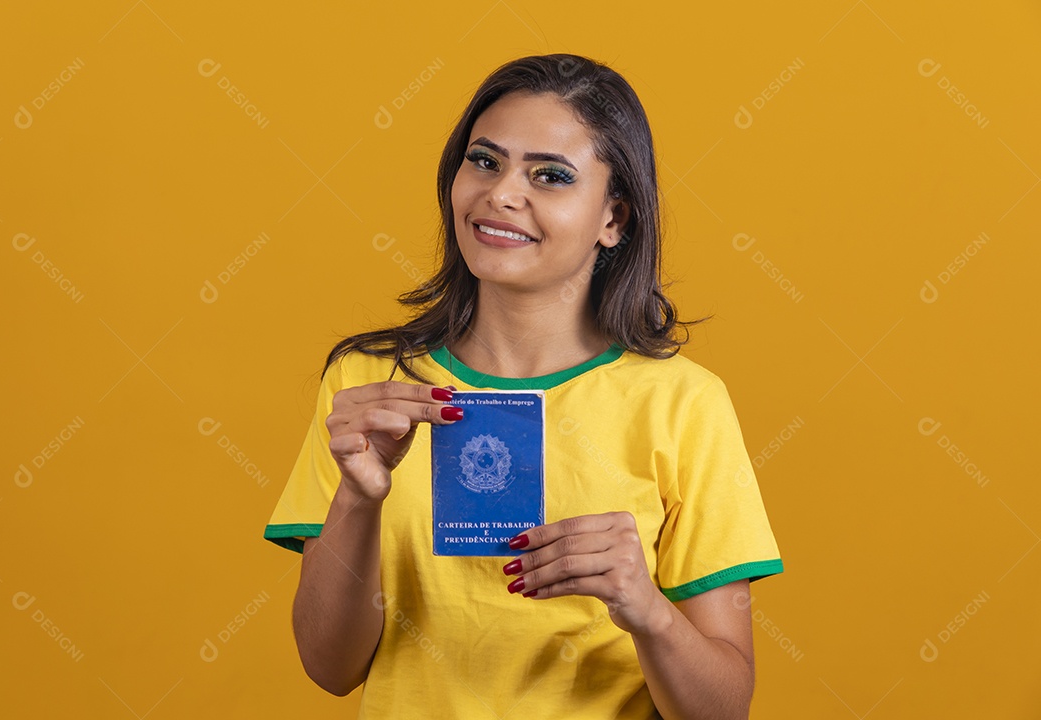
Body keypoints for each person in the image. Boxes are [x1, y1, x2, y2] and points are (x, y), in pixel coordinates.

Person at [264, 53, 783, 720]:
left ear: (614, 219)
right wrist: (360, 500)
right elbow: (329, 669)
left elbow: (722, 710)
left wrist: (646, 609)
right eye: (484, 161)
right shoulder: (370, 383)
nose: (502, 193)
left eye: (551, 175)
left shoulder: (683, 403)